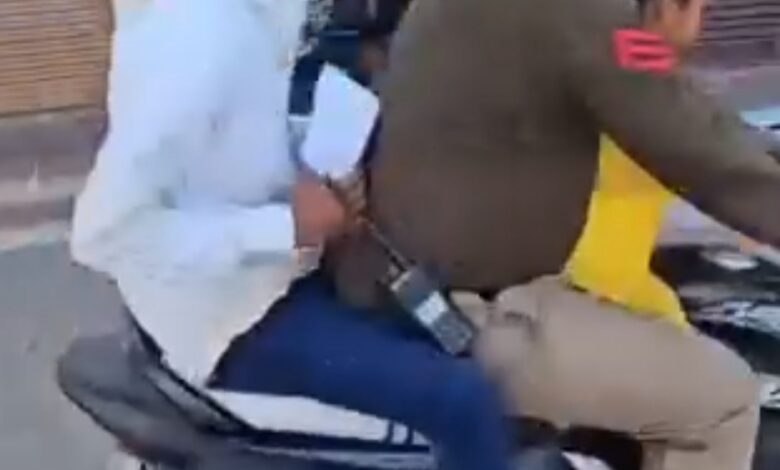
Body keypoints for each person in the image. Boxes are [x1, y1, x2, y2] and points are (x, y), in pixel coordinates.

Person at [325, 0, 780, 469]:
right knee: (724, 400)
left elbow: (692, 119)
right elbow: (690, 141)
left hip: (414, 281)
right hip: (468, 313)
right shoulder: (580, 14)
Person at [69, 1, 519, 469]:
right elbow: (106, 231)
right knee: (463, 400)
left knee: (459, 335)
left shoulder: (252, 17)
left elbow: (229, 142)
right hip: (232, 319)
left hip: (277, 273)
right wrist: (286, 226)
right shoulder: (201, 42)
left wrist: (314, 170)